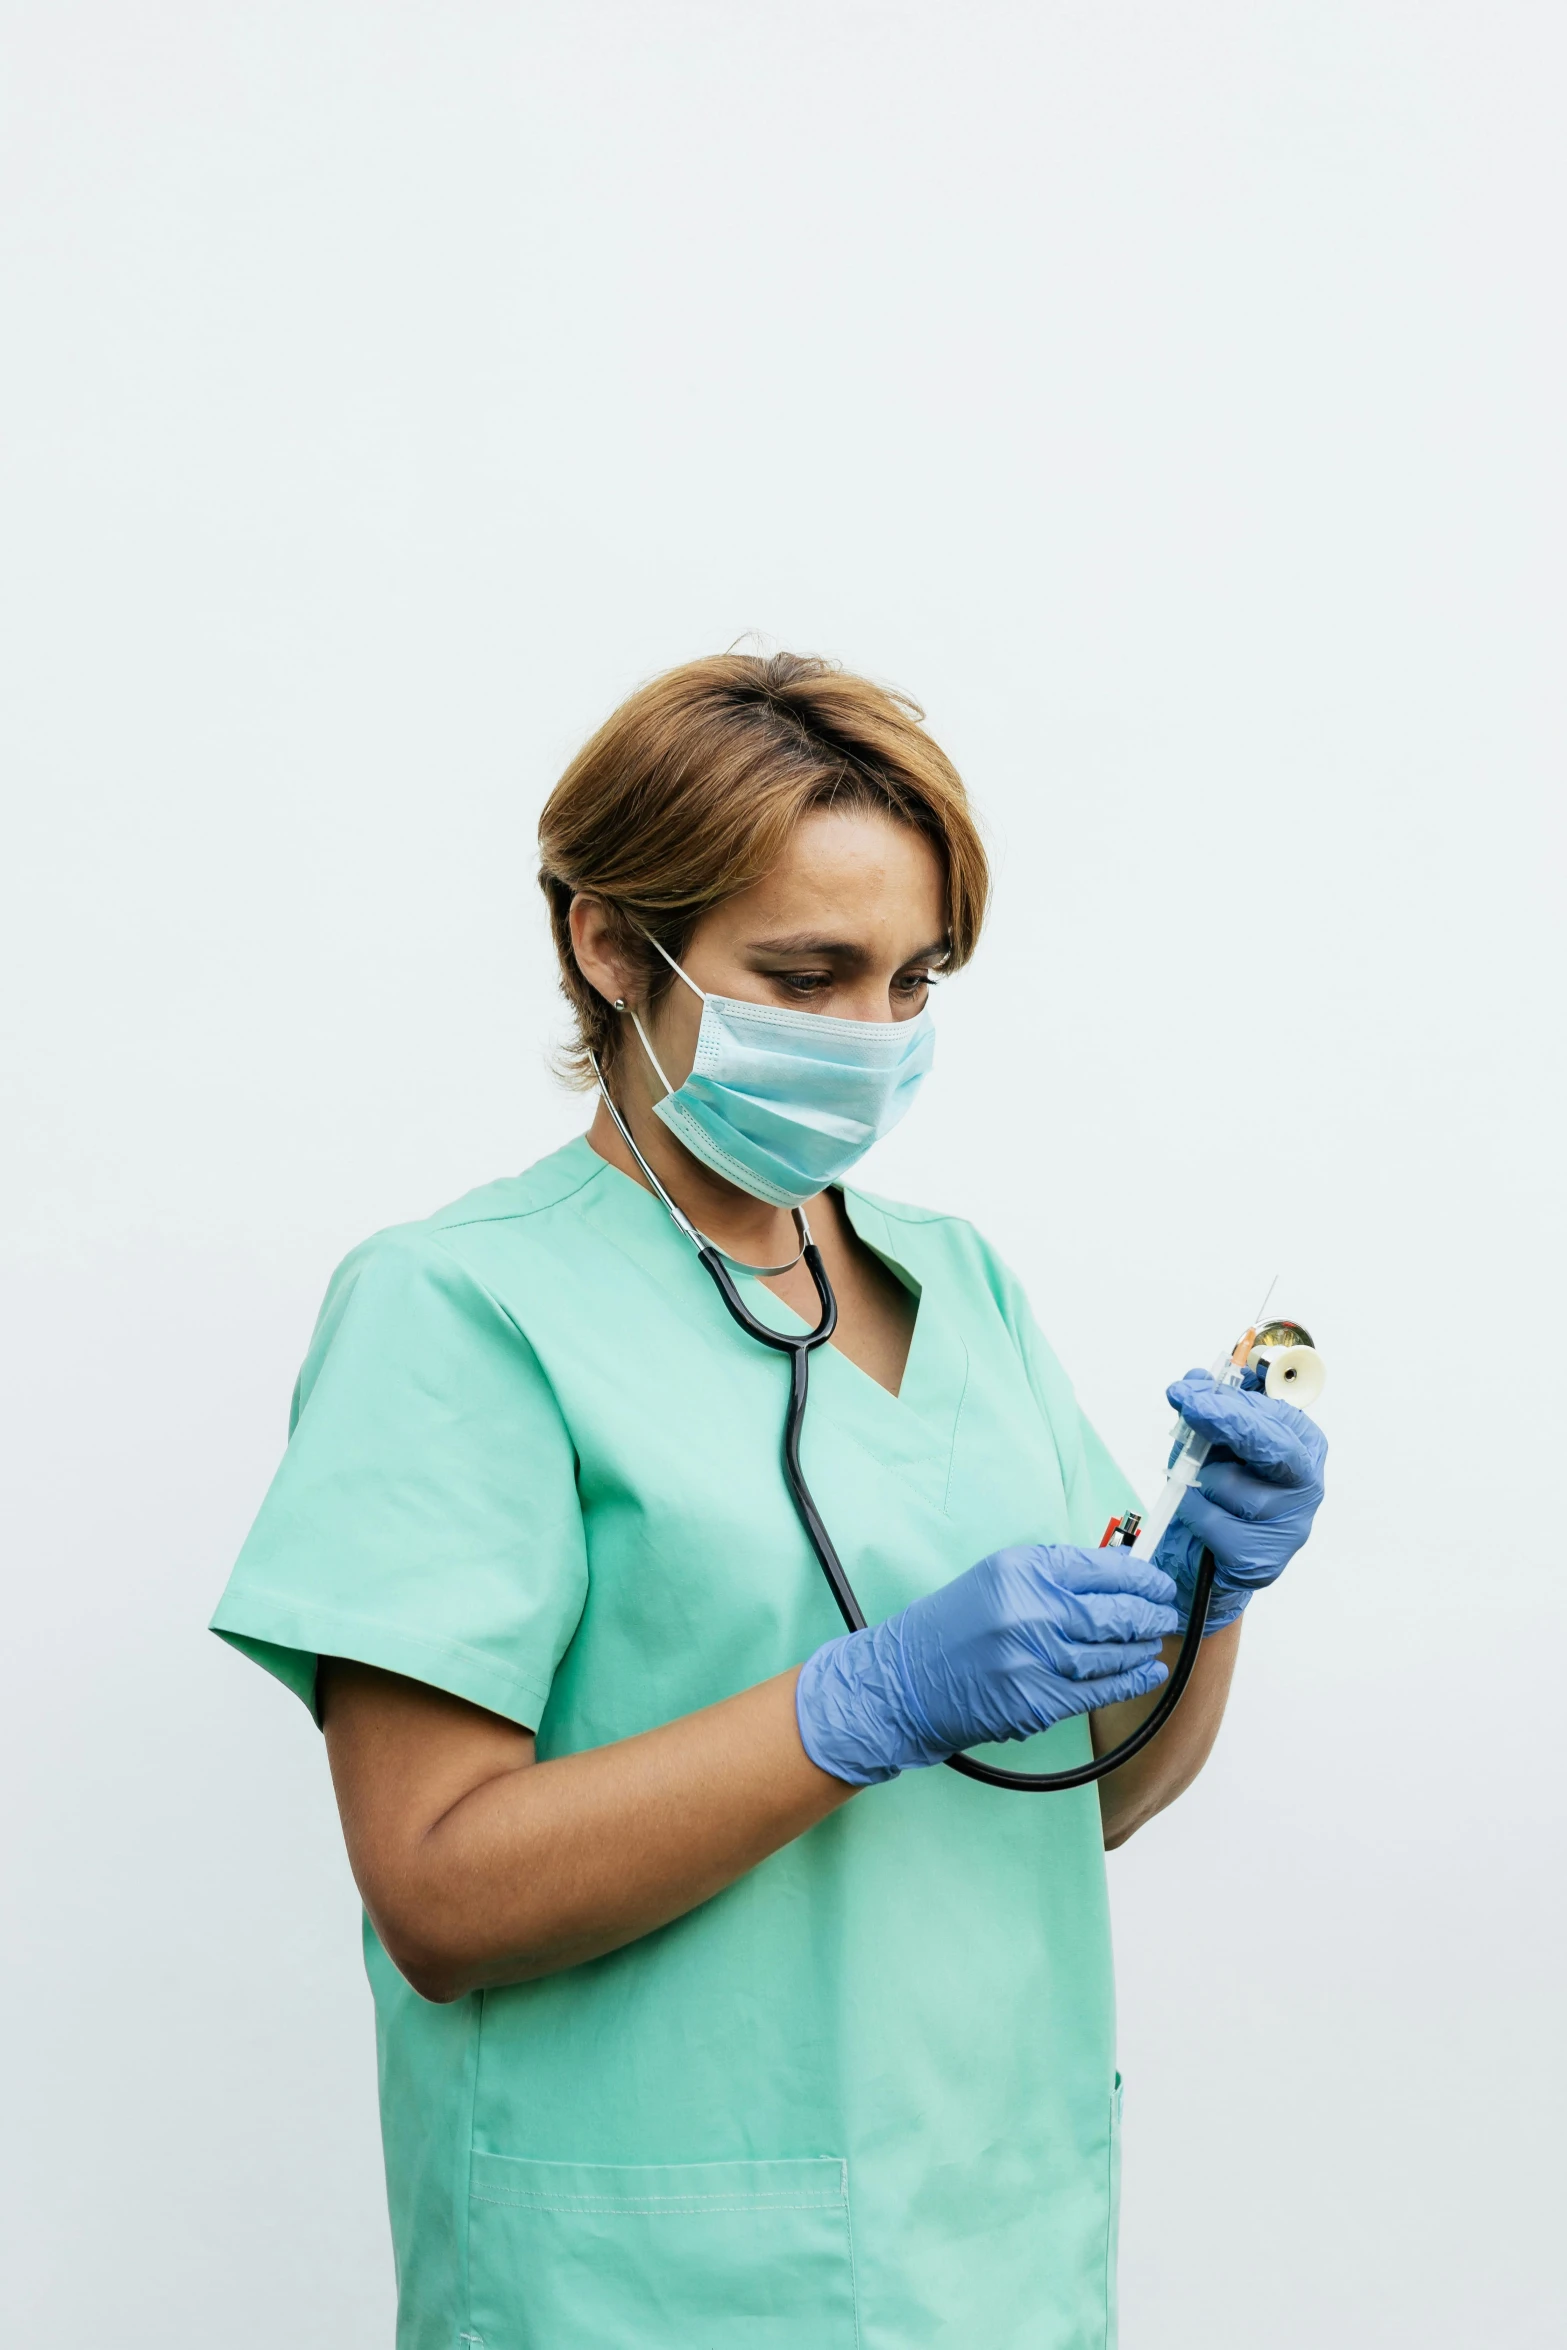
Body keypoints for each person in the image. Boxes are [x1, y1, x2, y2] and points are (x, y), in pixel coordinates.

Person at [211, 651, 1326, 2350]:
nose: (871, 1038)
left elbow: (1083, 1795)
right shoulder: (457, 1310)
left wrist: (1208, 1601)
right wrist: (860, 1698)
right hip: (648, 2282)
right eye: (805, 973)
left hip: (997, 2250)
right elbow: (436, 1894)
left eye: (911, 980)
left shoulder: (961, 1284)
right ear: (605, 939)